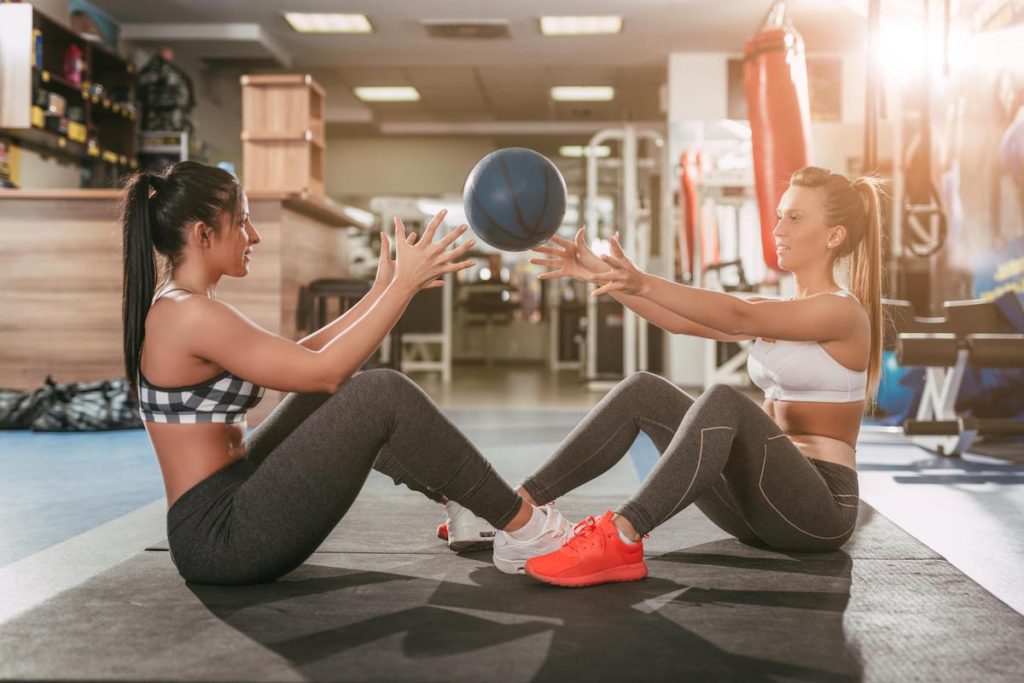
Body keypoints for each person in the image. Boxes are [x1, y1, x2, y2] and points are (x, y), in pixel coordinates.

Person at [122, 160, 574, 585]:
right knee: (380, 393)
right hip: (221, 538)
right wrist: (403, 287)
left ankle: (465, 504)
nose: (254, 235)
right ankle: (529, 530)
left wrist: (378, 293)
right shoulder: (190, 315)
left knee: (332, 395)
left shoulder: (183, 306)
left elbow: (301, 359)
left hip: (229, 504)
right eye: (241, 221)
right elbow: (325, 373)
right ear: (203, 234)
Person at [510, 166, 885, 588]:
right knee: (644, 390)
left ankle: (621, 536)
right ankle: (516, 508)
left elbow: (739, 317)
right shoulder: (783, 309)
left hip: (818, 511)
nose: (777, 228)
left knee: (725, 400)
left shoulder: (842, 311)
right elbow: (679, 322)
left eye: (794, 218)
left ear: (834, 236)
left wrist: (645, 281)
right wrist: (606, 278)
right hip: (757, 507)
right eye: (779, 215)